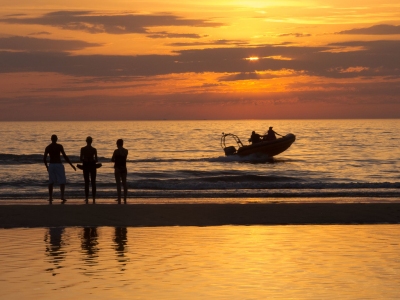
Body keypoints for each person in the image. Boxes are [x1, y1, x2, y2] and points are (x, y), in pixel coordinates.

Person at [43, 134, 76, 204]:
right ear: (56, 139)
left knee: (51, 181)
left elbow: (44, 159)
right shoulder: (59, 146)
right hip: (58, 164)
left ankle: (51, 197)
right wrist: (71, 165)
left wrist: (47, 167)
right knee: (62, 181)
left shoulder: (48, 147)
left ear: (51, 139)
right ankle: (62, 196)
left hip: (51, 165)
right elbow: (64, 156)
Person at [80, 136, 98, 204]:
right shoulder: (94, 149)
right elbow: (96, 159)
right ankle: (93, 198)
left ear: (86, 141)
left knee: (86, 182)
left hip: (86, 166)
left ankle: (87, 197)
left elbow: (80, 159)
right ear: (91, 141)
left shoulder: (83, 149)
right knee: (93, 182)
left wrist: (85, 159)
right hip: (92, 166)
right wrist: (92, 159)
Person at [111, 139, 128, 204]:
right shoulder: (126, 151)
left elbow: (112, 159)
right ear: (122, 144)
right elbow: (124, 157)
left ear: (117, 144)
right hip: (123, 167)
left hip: (117, 168)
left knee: (118, 184)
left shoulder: (116, 151)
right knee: (124, 183)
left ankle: (119, 198)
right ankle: (125, 198)